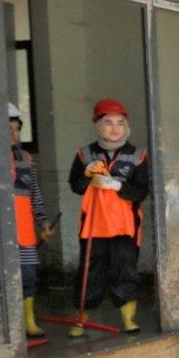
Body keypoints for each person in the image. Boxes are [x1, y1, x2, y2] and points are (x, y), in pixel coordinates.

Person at [67, 98, 150, 337]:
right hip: (93, 225)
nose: (115, 128)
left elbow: (142, 191)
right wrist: (86, 174)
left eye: (120, 123)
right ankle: (82, 319)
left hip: (125, 226)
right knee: (90, 271)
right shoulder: (84, 154)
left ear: (126, 127)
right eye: (108, 122)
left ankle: (129, 319)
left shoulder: (138, 155)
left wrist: (117, 186)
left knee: (125, 270)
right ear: (97, 125)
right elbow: (76, 186)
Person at [9, 103, 53, 338]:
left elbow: (35, 195)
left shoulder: (27, 159)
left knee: (28, 277)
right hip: (0, 233)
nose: (12, 133)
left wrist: (43, 221)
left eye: (16, 129)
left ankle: (28, 321)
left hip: (25, 231)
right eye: (7, 128)